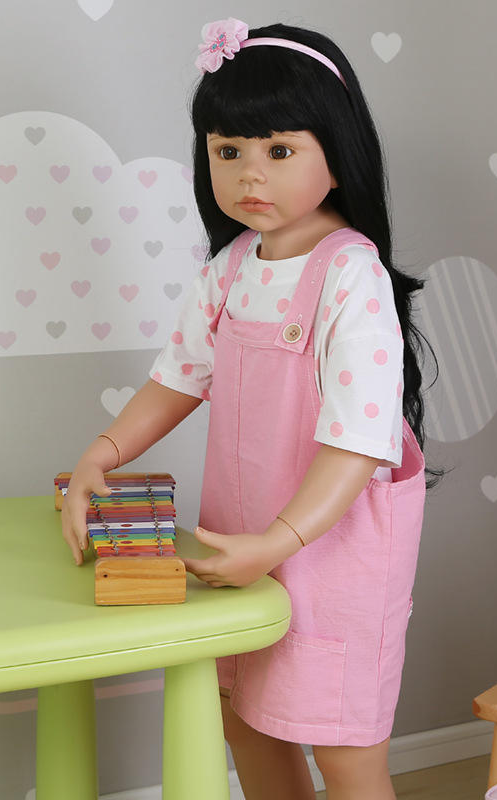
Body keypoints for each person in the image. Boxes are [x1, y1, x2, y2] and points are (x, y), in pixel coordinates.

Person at [62, 18, 435, 800]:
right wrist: (103, 452)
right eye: (228, 151)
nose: (249, 175)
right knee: (244, 719)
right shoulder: (232, 267)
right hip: (242, 541)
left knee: (344, 748)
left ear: (338, 153)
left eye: (279, 151)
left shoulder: (350, 275)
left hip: (331, 558)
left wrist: (278, 542)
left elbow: (357, 443)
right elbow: (179, 378)